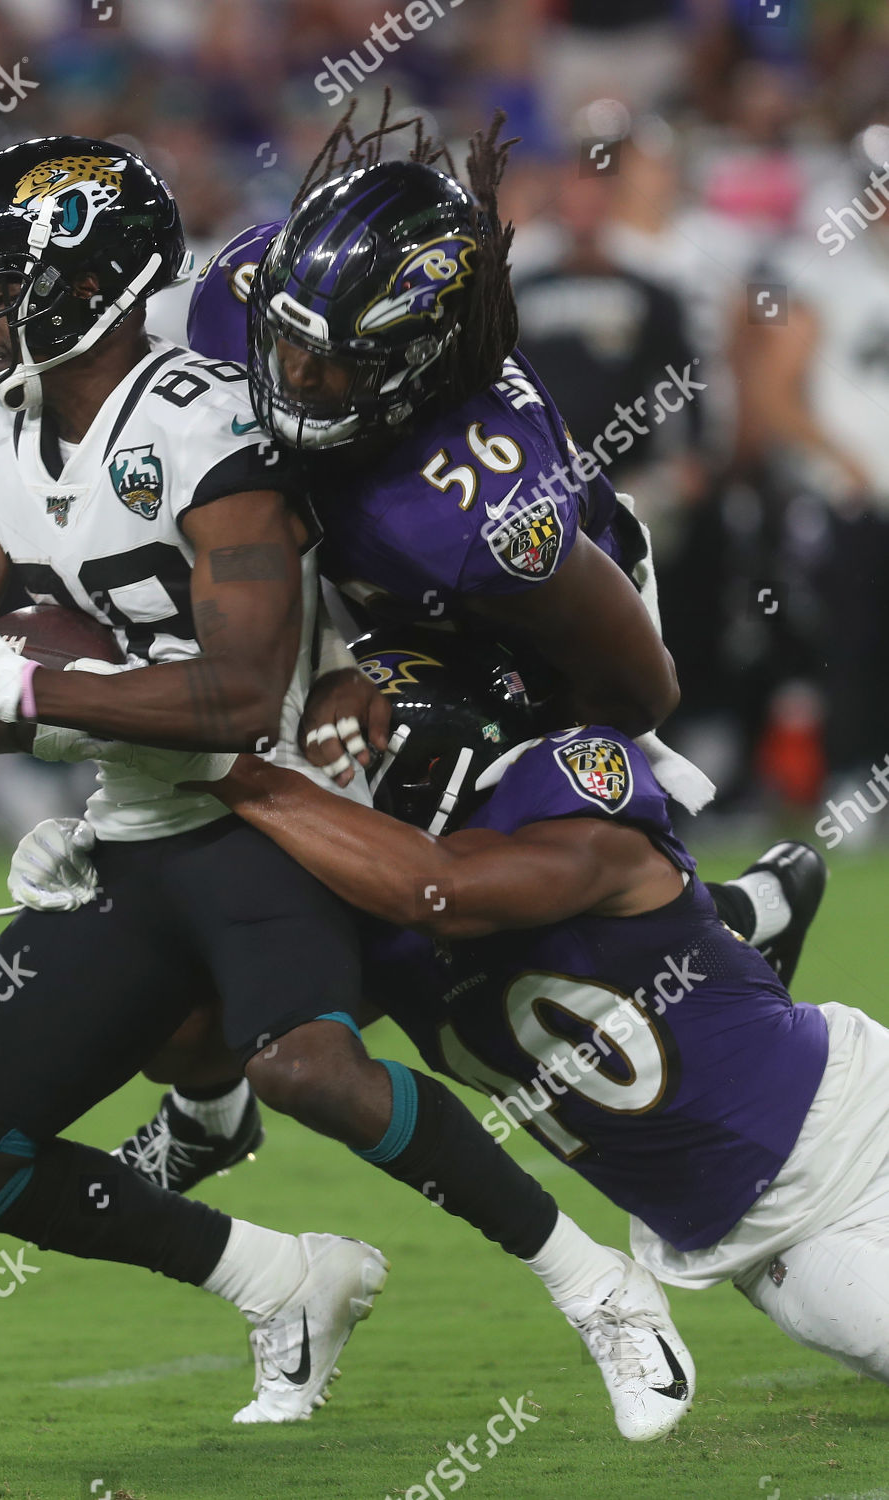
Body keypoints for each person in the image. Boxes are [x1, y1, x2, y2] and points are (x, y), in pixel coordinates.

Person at [0, 135, 674, 1430]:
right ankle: (282, 1280)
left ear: (92, 283)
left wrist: (32, 692)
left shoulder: (207, 422)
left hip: (284, 807)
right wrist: (67, 729)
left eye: (6, 287)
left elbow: (242, 700)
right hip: (143, 830)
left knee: (309, 1065)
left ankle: (597, 1289)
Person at [115, 104, 822, 1199]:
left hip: (511, 643)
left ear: (417, 365)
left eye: (331, 366)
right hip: (340, 594)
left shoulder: (486, 507)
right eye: (288, 345)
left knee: (377, 874)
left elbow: (637, 686)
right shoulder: (251, 288)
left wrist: (483, 736)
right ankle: (733, 916)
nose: (291, 378)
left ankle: (698, 921)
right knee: (212, 809)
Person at [140, 633, 882, 1386]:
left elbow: (445, 895)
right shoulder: (376, 921)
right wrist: (120, 889)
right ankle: (753, 910)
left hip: (862, 1117)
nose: (335, 794)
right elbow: (201, 1048)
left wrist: (234, 774)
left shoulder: (568, 788)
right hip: (775, 1237)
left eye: (348, 771)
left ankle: (746, 912)